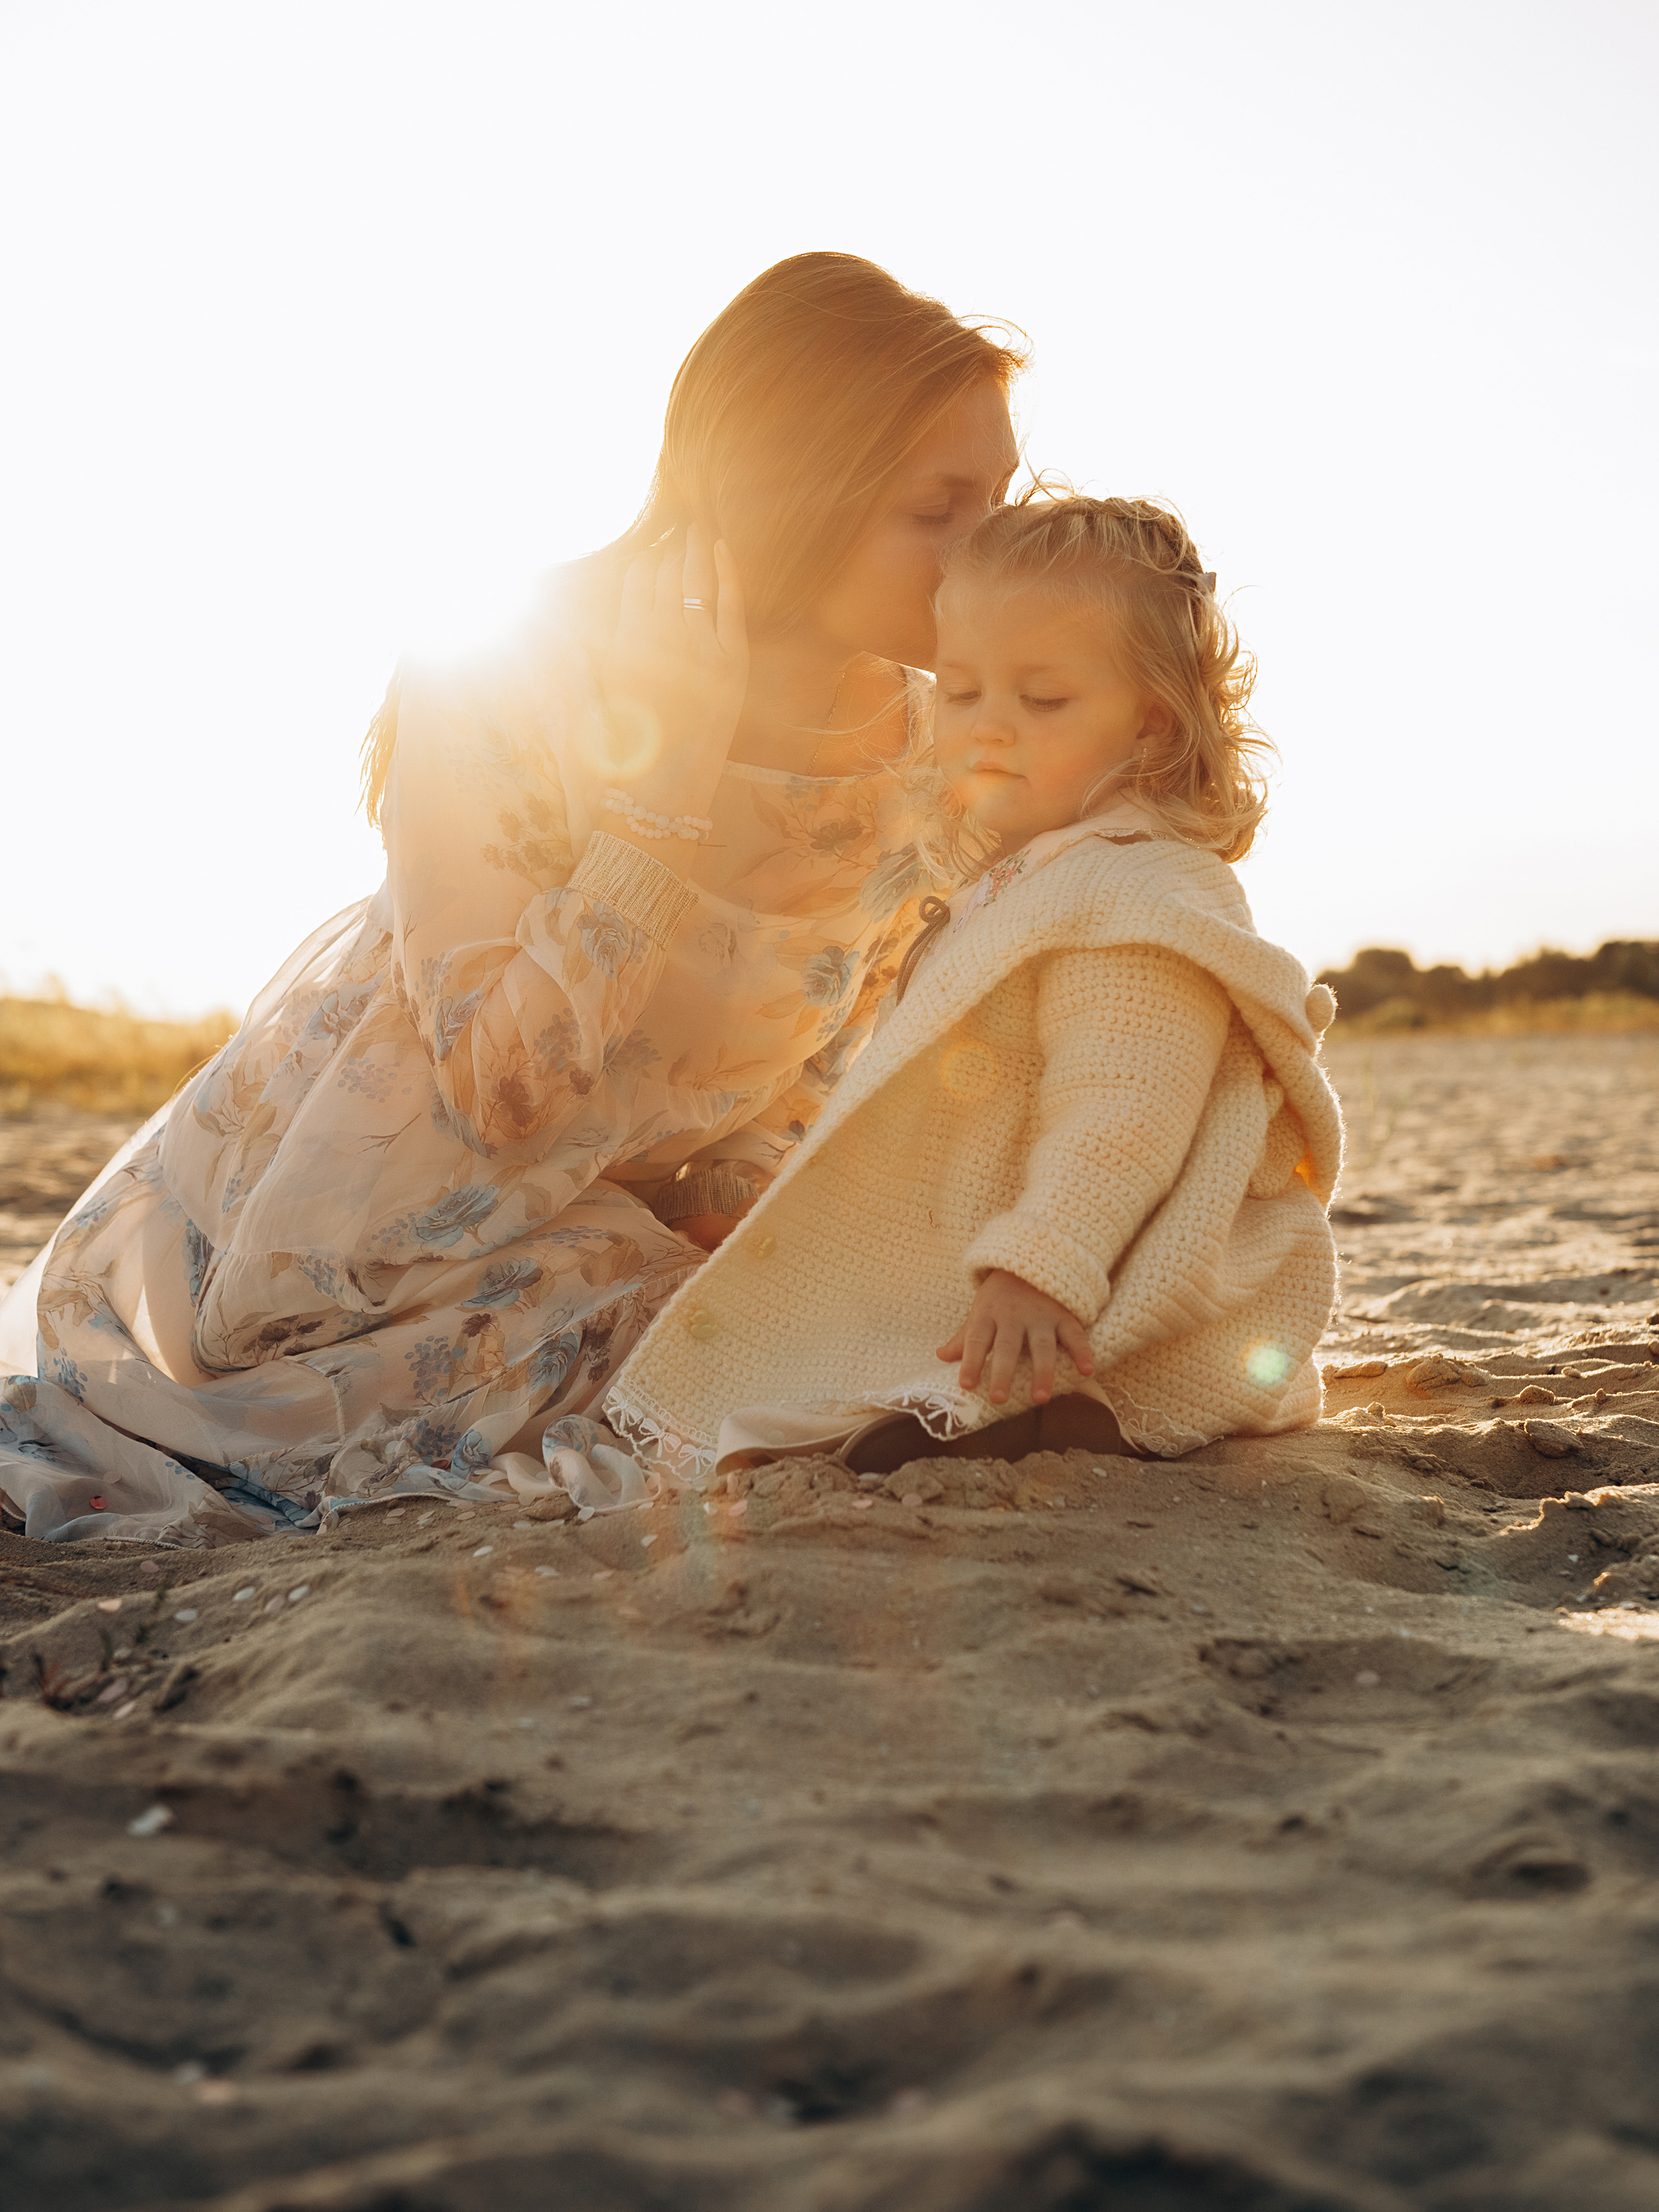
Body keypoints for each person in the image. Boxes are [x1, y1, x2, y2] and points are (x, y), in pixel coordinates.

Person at [0, 253, 1022, 1541]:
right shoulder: (505, 673)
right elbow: (503, 1091)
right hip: (380, 1226)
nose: (993, 549)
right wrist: (664, 788)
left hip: (620, 1217)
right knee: (690, 1329)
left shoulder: (935, 748)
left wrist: (740, 1183)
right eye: (939, 507)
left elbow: (827, 1044)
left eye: (1004, 496)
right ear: (794, 494)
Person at [601, 493, 1343, 1479]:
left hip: (1091, 1279)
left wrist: (1043, 1270)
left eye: (1043, 701)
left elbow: (1123, 1112)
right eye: (960, 694)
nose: (991, 728)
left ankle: (1056, 1409)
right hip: (1010, 1264)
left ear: (1154, 726)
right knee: (800, 1395)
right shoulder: (1029, 875)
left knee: (850, 1428)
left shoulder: (1133, 887)